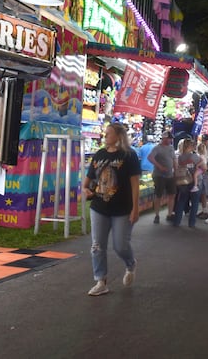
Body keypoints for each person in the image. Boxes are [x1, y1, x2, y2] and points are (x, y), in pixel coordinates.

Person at [81, 123, 141, 296]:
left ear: (118, 136)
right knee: (97, 245)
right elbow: (87, 181)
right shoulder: (99, 154)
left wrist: (135, 208)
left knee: (120, 245)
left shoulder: (129, 155)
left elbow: (135, 184)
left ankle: (131, 264)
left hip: (122, 209)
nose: (104, 136)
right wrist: (85, 190)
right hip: (99, 207)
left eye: (108, 133)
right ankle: (101, 280)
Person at [147, 130, 176, 224]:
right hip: (159, 175)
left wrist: (176, 170)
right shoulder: (157, 148)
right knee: (158, 194)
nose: (170, 140)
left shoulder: (171, 148)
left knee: (172, 194)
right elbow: (150, 157)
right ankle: (157, 215)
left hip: (170, 175)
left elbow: (174, 159)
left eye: (171, 139)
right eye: (169, 138)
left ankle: (170, 214)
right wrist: (160, 166)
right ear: (164, 138)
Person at [173, 138, 203, 228]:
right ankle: (191, 223)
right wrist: (198, 167)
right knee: (194, 203)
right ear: (190, 146)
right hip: (194, 182)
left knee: (181, 201)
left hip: (183, 181)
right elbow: (204, 167)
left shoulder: (180, 156)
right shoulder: (194, 156)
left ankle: (177, 221)